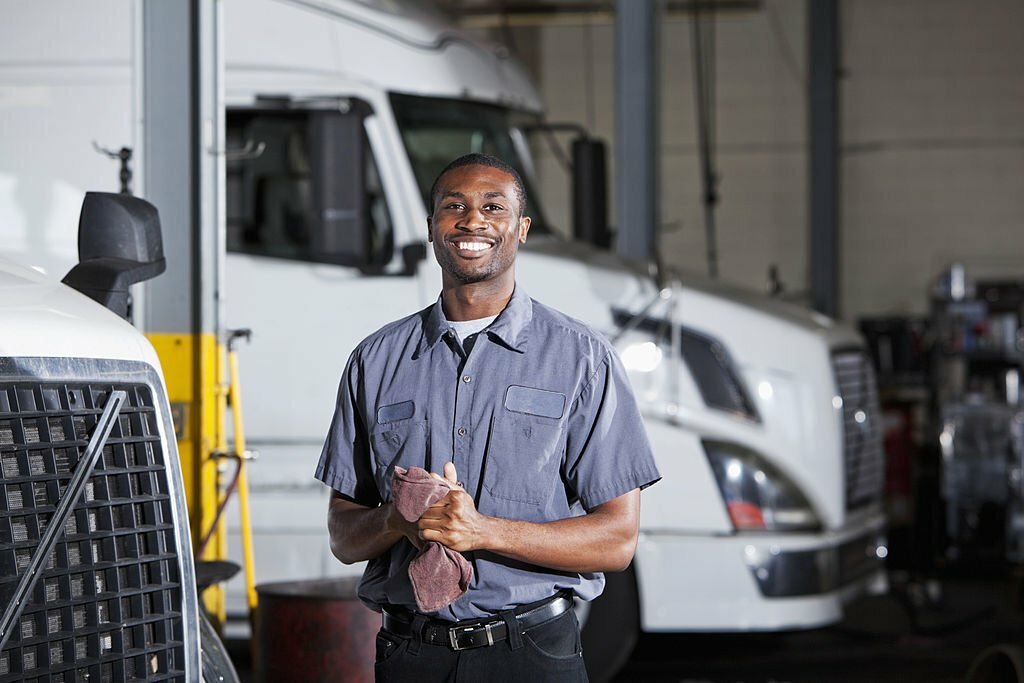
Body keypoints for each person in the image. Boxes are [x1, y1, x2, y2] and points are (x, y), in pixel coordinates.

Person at [315, 153, 660, 682]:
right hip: (411, 656)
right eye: (454, 206)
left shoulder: (582, 358)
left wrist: (482, 531)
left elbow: (616, 540)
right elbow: (343, 536)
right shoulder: (375, 360)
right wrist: (394, 520)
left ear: (520, 229)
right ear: (432, 228)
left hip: (531, 653)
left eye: (492, 207)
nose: (472, 220)